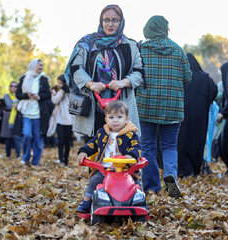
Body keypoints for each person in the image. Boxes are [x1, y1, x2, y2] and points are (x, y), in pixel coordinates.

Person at [64, 4, 144, 139]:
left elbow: (140, 72)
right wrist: (91, 84)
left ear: (121, 22)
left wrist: (122, 83)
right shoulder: (87, 43)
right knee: (94, 148)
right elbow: (75, 68)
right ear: (101, 21)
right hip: (93, 107)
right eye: (106, 20)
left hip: (121, 109)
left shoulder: (131, 45)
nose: (110, 24)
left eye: (115, 20)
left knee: (121, 150)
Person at [136, 15, 192, 197]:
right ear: (165, 29)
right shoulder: (178, 50)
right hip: (173, 108)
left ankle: (151, 186)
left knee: (147, 146)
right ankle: (170, 174)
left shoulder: (140, 50)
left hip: (146, 106)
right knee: (169, 146)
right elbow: (188, 77)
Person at [76, 100, 141, 213]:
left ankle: (139, 202)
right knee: (93, 181)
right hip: (105, 170)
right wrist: (84, 151)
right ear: (106, 119)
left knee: (136, 184)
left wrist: (130, 156)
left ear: (126, 119)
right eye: (111, 117)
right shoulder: (102, 133)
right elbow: (93, 144)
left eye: (119, 117)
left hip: (126, 170)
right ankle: (87, 201)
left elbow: (136, 147)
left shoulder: (131, 134)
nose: (115, 120)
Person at [177, 53, 218, 177]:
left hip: (181, 115)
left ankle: (183, 169)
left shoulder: (180, 76)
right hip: (199, 117)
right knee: (197, 141)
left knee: (181, 142)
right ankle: (195, 168)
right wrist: (206, 102)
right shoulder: (204, 77)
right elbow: (214, 90)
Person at [16, 59, 51, 167]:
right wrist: (27, 95)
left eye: (42, 65)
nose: (41, 67)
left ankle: (35, 161)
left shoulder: (44, 79)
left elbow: (48, 95)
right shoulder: (23, 78)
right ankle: (25, 158)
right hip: (26, 113)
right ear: (33, 65)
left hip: (39, 114)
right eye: (39, 65)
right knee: (27, 135)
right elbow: (18, 94)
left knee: (38, 139)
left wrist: (38, 97)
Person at [50, 74, 74, 166]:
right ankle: (61, 160)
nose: (58, 84)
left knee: (67, 142)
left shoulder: (70, 91)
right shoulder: (54, 90)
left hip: (69, 120)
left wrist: (67, 90)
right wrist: (61, 91)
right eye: (58, 82)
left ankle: (66, 160)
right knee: (60, 141)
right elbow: (55, 100)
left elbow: (73, 102)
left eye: (61, 83)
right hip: (59, 120)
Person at [0, 81, 22, 158]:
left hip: (17, 117)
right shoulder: (6, 96)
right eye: (11, 86)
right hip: (7, 117)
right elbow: (8, 105)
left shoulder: (20, 96)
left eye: (15, 86)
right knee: (7, 137)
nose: (13, 87)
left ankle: (18, 154)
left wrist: (17, 105)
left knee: (17, 137)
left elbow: (20, 106)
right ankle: (8, 154)